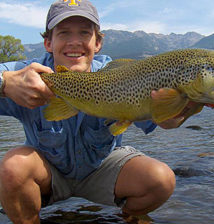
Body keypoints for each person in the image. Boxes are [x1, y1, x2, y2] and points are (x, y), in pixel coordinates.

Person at [0, 1, 193, 223]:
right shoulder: (26, 74)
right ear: (48, 42)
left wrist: (186, 106)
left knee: (161, 180)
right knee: (13, 167)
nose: (74, 42)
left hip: (102, 168)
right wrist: (4, 84)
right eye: (64, 33)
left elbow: (166, 123)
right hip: (47, 174)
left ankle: (128, 217)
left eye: (84, 33)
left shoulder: (123, 75)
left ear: (98, 43)